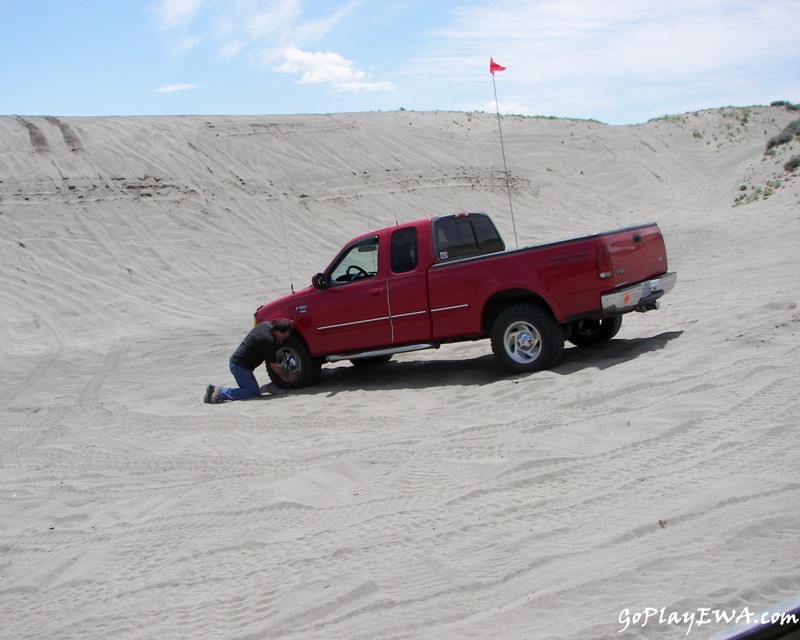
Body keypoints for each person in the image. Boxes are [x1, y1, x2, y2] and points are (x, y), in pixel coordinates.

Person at [204, 319, 297, 404]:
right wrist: (287, 377)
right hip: (240, 366)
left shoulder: (265, 325)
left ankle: (216, 390)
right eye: (284, 336)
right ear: (277, 332)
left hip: (237, 361)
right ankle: (220, 392)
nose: (285, 339)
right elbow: (274, 366)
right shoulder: (268, 341)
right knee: (253, 393)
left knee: (250, 390)